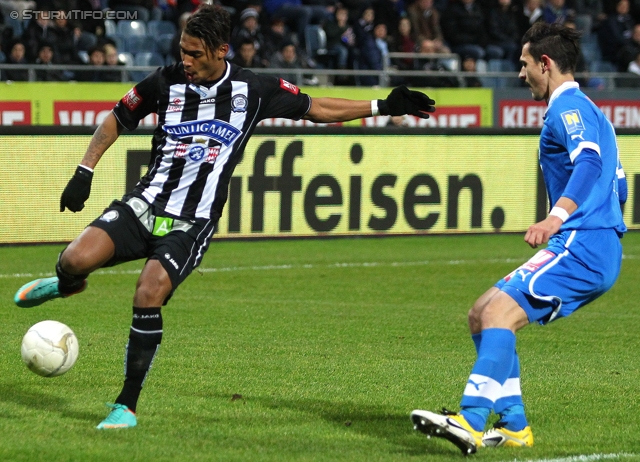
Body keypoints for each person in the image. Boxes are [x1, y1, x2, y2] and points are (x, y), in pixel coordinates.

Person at [13, 3, 435, 431]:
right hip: (145, 203)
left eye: (195, 53)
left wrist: (382, 104)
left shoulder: (253, 90)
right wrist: (84, 171)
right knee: (73, 260)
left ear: (221, 51)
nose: (187, 61)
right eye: (183, 51)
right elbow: (117, 118)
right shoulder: (165, 82)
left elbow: (318, 108)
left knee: (149, 291)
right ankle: (68, 284)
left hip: (193, 221)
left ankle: (126, 405)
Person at [410, 21, 627, 455]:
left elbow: (588, 163)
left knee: (500, 315)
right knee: (482, 312)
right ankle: (514, 426)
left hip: (582, 245)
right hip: (590, 243)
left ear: (545, 64)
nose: (520, 73)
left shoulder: (568, 109)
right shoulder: (591, 112)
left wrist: (556, 217)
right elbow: (618, 186)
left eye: (525, 64)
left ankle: (470, 420)